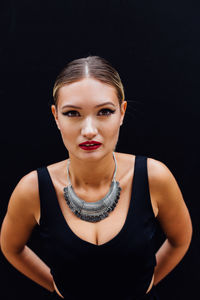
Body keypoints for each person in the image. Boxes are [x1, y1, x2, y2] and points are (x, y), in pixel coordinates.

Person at [0, 56, 192, 300]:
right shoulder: (33, 189)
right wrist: (55, 286)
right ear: (56, 116)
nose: (89, 130)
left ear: (121, 113)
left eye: (104, 111)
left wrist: (148, 284)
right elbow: (11, 248)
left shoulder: (155, 177)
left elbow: (180, 240)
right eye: (72, 113)